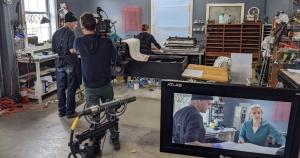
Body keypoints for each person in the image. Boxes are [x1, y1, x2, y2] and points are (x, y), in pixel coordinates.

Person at [74, 12, 120, 151]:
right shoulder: (106, 41)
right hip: (105, 84)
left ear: (82, 26)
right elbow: (116, 59)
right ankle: (115, 140)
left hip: (90, 86)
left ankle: (95, 144)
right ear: (96, 25)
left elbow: (74, 50)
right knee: (110, 113)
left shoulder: (79, 42)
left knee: (94, 117)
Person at [52, 12, 81, 119]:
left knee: (60, 88)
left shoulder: (56, 33)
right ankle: (70, 112)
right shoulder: (71, 33)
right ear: (70, 22)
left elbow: (54, 50)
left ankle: (61, 111)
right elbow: (71, 50)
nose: (76, 26)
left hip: (59, 63)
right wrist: (79, 50)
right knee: (71, 88)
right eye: (75, 23)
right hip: (70, 63)